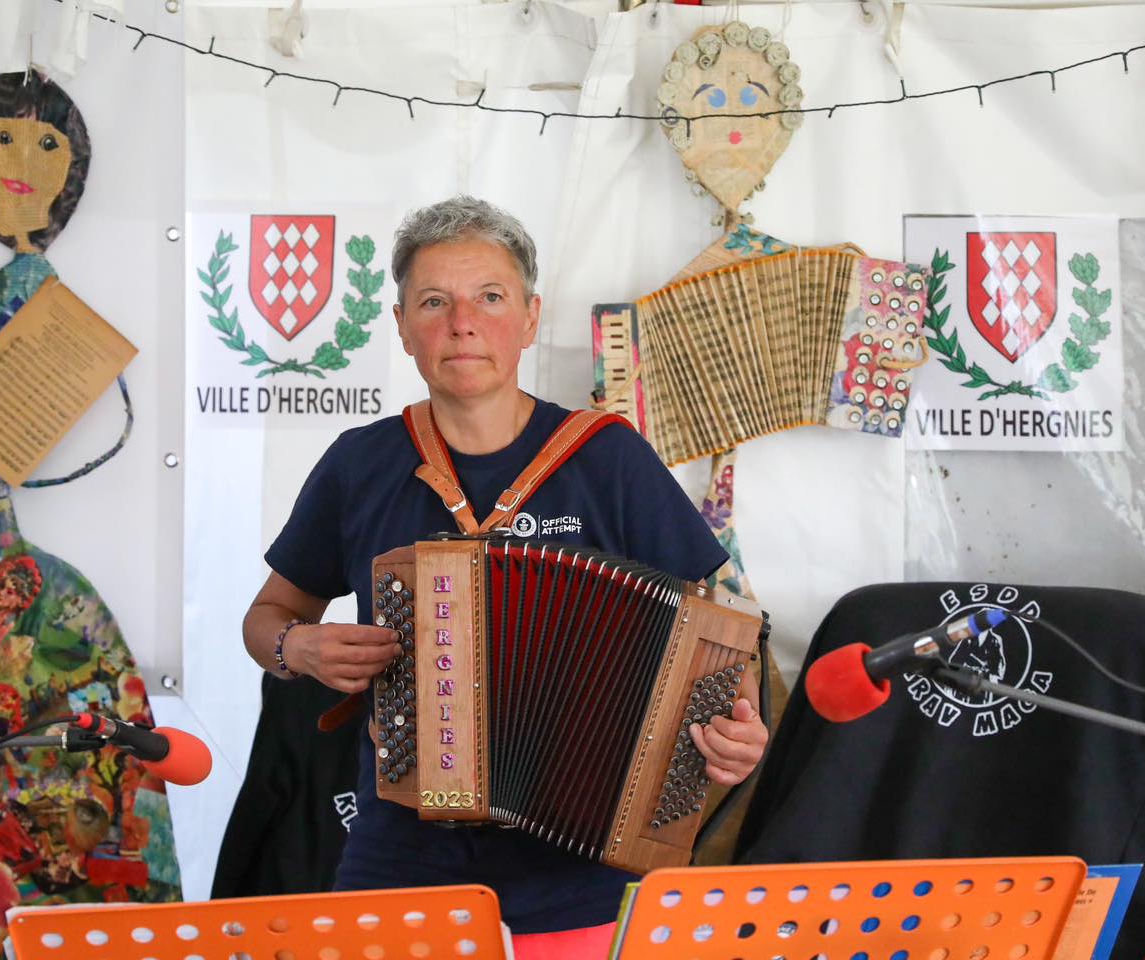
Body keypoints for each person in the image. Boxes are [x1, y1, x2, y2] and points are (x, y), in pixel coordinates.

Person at [242, 196, 768, 946]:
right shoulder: (360, 464)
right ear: (401, 327)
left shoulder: (607, 457)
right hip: (400, 854)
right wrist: (297, 648)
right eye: (434, 302)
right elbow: (264, 619)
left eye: (489, 298)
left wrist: (736, 724)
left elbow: (718, 634)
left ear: (528, 318)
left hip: (584, 858)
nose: (463, 322)